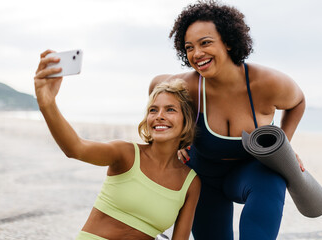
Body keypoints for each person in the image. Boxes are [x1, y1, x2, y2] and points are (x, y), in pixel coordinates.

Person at [149, 1, 305, 240]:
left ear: (229, 42)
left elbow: (297, 102)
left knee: (273, 178)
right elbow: (155, 87)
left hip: (253, 175)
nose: (197, 54)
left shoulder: (267, 83)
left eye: (206, 43)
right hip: (204, 179)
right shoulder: (189, 86)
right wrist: (174, 143)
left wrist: (285, 145)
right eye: (189, 47)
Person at [34, 50, 201, 240]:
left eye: (170, 109)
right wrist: (47, 104)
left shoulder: (190, 183)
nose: (159, 116)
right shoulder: (125, 153)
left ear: (186, 120)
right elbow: (76, 148)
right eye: (153, 110)